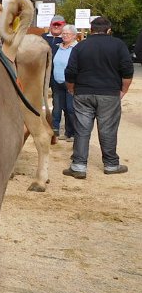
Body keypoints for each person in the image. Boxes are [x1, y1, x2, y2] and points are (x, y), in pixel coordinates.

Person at [63, 16, 134, 179]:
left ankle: (78, 166)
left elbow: (70, 72)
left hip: (83, 93)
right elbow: (127, 70)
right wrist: (124, 90)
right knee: (108, 129)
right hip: (109, 93)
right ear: (109, 30)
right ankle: (111, 165)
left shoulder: (80, 47)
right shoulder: (118, 45)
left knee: (81, 130)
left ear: (91, 30)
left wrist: (71, 89)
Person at [51, 24, 78, 141]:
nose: (65, 35)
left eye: (68, 34)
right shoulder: (57, 46)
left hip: (71, 83)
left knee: (70, 109)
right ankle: (55, 130)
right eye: (64, 33)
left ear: (74, 36)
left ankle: (71, 133)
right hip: (57, 82)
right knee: (57, 107)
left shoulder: (77, 48)